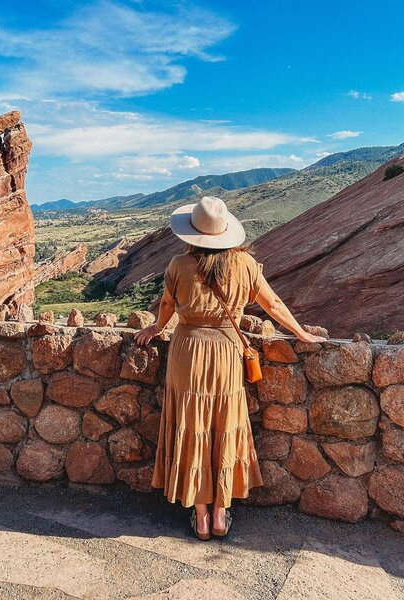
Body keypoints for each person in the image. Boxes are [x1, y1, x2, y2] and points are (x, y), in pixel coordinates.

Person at [134, 196, 328, 540]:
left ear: (192, 234)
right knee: (225, 423)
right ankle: (222, 514)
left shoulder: (178, 265)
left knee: (193, 424)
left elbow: (166, 306)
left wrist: (155, 329)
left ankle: (202, 517)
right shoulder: (245, 266)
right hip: (226, 352)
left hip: (187, 352)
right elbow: (272, 303)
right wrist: (301, 334)